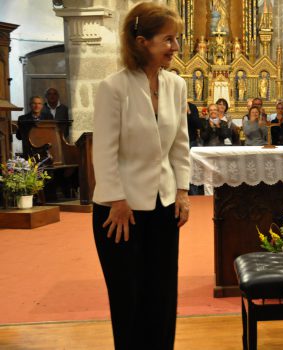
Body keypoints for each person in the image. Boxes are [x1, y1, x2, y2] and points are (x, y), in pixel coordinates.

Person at [91, 3, 190, 349]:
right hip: (121, 213)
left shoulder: (177, 85)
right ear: (142, 42)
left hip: (163, 205)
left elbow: (179, 144)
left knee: (162, 297)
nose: (175, 47)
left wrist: (182, 191)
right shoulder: (113, 88)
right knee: (129, 299)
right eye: (168, 39)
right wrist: (117, 200)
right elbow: (103, 151)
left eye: (175, 39)